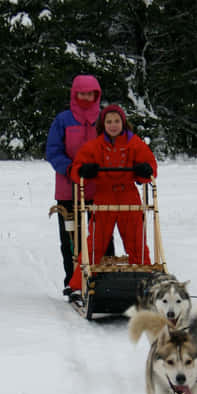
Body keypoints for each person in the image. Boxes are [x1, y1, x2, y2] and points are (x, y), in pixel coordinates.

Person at [67, 103, 157, 292]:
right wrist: (84, 171)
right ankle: (79, 285)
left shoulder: (134, 143)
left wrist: (144, 171)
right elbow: (76, 170)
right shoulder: (94, 146)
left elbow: (150, 168)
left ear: (123, 123)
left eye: (116, 121)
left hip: (128, 197)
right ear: (103, 124)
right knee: (94, 244)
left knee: (137, 244)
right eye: (109, 121)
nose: (113, 125)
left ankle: (147, 283)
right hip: (104, 197)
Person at [45, 74, 114, 295]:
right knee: (71, 236)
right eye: (82, 93)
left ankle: (105, 277)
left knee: (102, 234)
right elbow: (53, 151)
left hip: (99, 186)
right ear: (75, 94)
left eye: (90, 93)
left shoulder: (106, 119)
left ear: (97, 94)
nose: (86, 97)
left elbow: (120, 141)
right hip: (69, 187)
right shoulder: (63, 120)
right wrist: (71, 168)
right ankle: (73, 281)